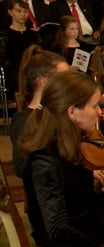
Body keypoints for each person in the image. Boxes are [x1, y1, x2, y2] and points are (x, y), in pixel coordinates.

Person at [19, 70, 104, 247]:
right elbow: (59, 229)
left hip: (84, 242)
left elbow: (77, 202)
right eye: (94, 106)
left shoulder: (66, 148)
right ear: (72, 112)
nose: (100, 112)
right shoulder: (45, 162)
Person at [11, 46, 69, 179]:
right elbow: (22, 169)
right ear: (43, 82)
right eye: (63, 78)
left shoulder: (61, 112)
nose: (68, 83)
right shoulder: (23, 120)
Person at [1, 0, 41, 93]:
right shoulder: (4, 35)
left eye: (25, 11)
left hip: (33, 72)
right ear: (10, 12)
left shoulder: (33, 34)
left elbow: (39, 56)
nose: (23, 14)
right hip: (13, 74)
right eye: (18, 11)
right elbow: (4, 60)